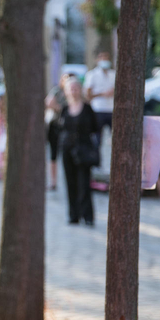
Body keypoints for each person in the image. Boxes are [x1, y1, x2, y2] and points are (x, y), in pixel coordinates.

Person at [53, 75, 101, 226]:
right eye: (70, 89)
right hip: (67, 150)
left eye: (75, 88)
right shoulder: (65, 109)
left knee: (84, 183)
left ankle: (87, 216)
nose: (73, 91)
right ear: (66, 92)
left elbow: (95, 128)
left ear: (80, 90)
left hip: (83, 150)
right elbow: (59, 128)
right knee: (70, 183)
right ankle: (73, 215)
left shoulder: (87, 109)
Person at [83, 52, 116, 131]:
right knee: (97, 134)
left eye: (106, 58)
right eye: (102, 58)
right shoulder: (92, 74)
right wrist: (102, 94)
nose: (104, 60)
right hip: (98, 109)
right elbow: (88, 94)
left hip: (112, 109)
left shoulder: (113, 74)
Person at [45, 81, 67, 192]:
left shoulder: (70, 93)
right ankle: (53, 182)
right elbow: (48, 103)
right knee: (53, 155)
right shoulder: (56, 91)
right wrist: (57, 107)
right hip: (54, 126)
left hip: (66, 129)